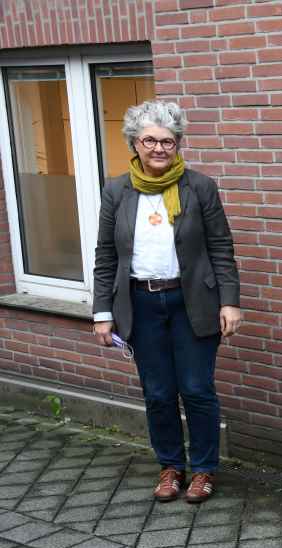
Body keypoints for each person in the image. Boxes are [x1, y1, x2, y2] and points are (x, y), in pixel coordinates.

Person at [92, 100, 241, 505]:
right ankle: (171, 466)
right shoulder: (117, 190)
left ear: (178, 144)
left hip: (192, 302)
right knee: (158, 392)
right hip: (140, 303)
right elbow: (106, 254)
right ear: (135, 144)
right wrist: (102, 311)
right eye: (150, 140)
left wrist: (230, 301)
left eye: (168, 141)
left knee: (196, 389)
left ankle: (204, 469)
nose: (159, 148)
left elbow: (221, 248)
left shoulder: (200, 186)